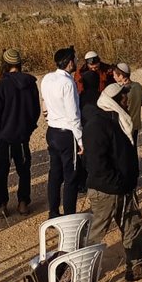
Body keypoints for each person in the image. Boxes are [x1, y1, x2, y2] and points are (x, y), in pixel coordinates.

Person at [83, 84, 142, 282]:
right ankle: (80, 273)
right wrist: (117, 183)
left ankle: (136, 266)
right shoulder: (97, 125)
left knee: (133, 225)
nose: (126, 100)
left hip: (124, 188)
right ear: (113, 101)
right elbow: (97, 165)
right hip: (107, 191)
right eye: (123, 97)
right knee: (96, 233)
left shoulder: (118, 119)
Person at [0, 48, 40, 217]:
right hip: (22, 136)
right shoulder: (31, 84)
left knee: (0, 172)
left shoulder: (1, 86)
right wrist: (29, 129)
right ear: (19, 64)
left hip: (3, 137)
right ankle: (23, 202)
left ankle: (2, 205)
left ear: (5, 64)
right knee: (24, 170)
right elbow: (35, 111)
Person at [41, 46, 85, 218]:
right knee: (71, 176)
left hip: (52, 130)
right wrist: (80, 141)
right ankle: (69, 215)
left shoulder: (47, 78)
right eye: (74, 59)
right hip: (67, 133)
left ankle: (53, 211)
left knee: (54, 173)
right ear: (69, 62)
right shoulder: (68, 83)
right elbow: (73, 114)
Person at [112, 62, 142, 146]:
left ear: (121, 76)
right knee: (133, 147)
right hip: (136, 124)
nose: (113, 77)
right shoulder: (138, 86)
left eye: (114, 75)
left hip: (125, 125)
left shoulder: (121, 90)